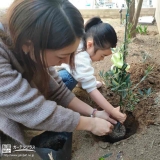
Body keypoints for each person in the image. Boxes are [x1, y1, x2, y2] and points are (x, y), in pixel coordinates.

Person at [0, 0, 122, 156]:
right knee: (20, 153)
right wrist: (90, 124)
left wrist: (94, 113)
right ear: (28, 44)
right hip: (7, 119)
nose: (67, 62)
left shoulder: (32, 44)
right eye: (62, 56)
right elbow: (34, 111)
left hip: (13, 113)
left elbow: (58, 92)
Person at [57, 17, 126, 124]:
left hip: (60, 73)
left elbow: (78, 71)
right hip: (59, 79)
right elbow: (92, 91)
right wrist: (112, 110)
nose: (102, 59)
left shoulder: (81, 42)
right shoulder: (82, 57)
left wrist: (87, 83)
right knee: (68, 79)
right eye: (102, 55)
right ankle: (56, 104)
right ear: (90, 44)